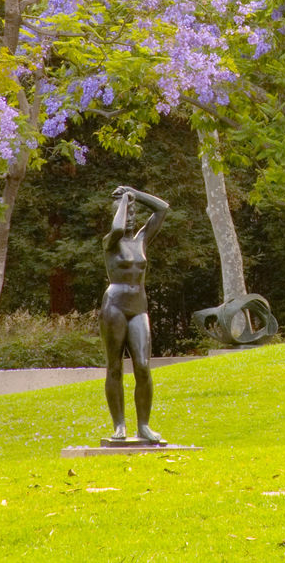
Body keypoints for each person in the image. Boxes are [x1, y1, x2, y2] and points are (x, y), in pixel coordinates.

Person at [101, 185, 168, 443]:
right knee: (115, 366)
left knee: (142, 365)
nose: (129, 216)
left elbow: (162, 209)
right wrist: (123, 203)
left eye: (132, 212)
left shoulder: (141, 239)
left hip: (139, 307)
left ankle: (144, 426)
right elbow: (117, 228)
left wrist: (135, 194)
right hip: (114, 306)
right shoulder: (110, 242)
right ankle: (119, 426)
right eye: (124, 211)